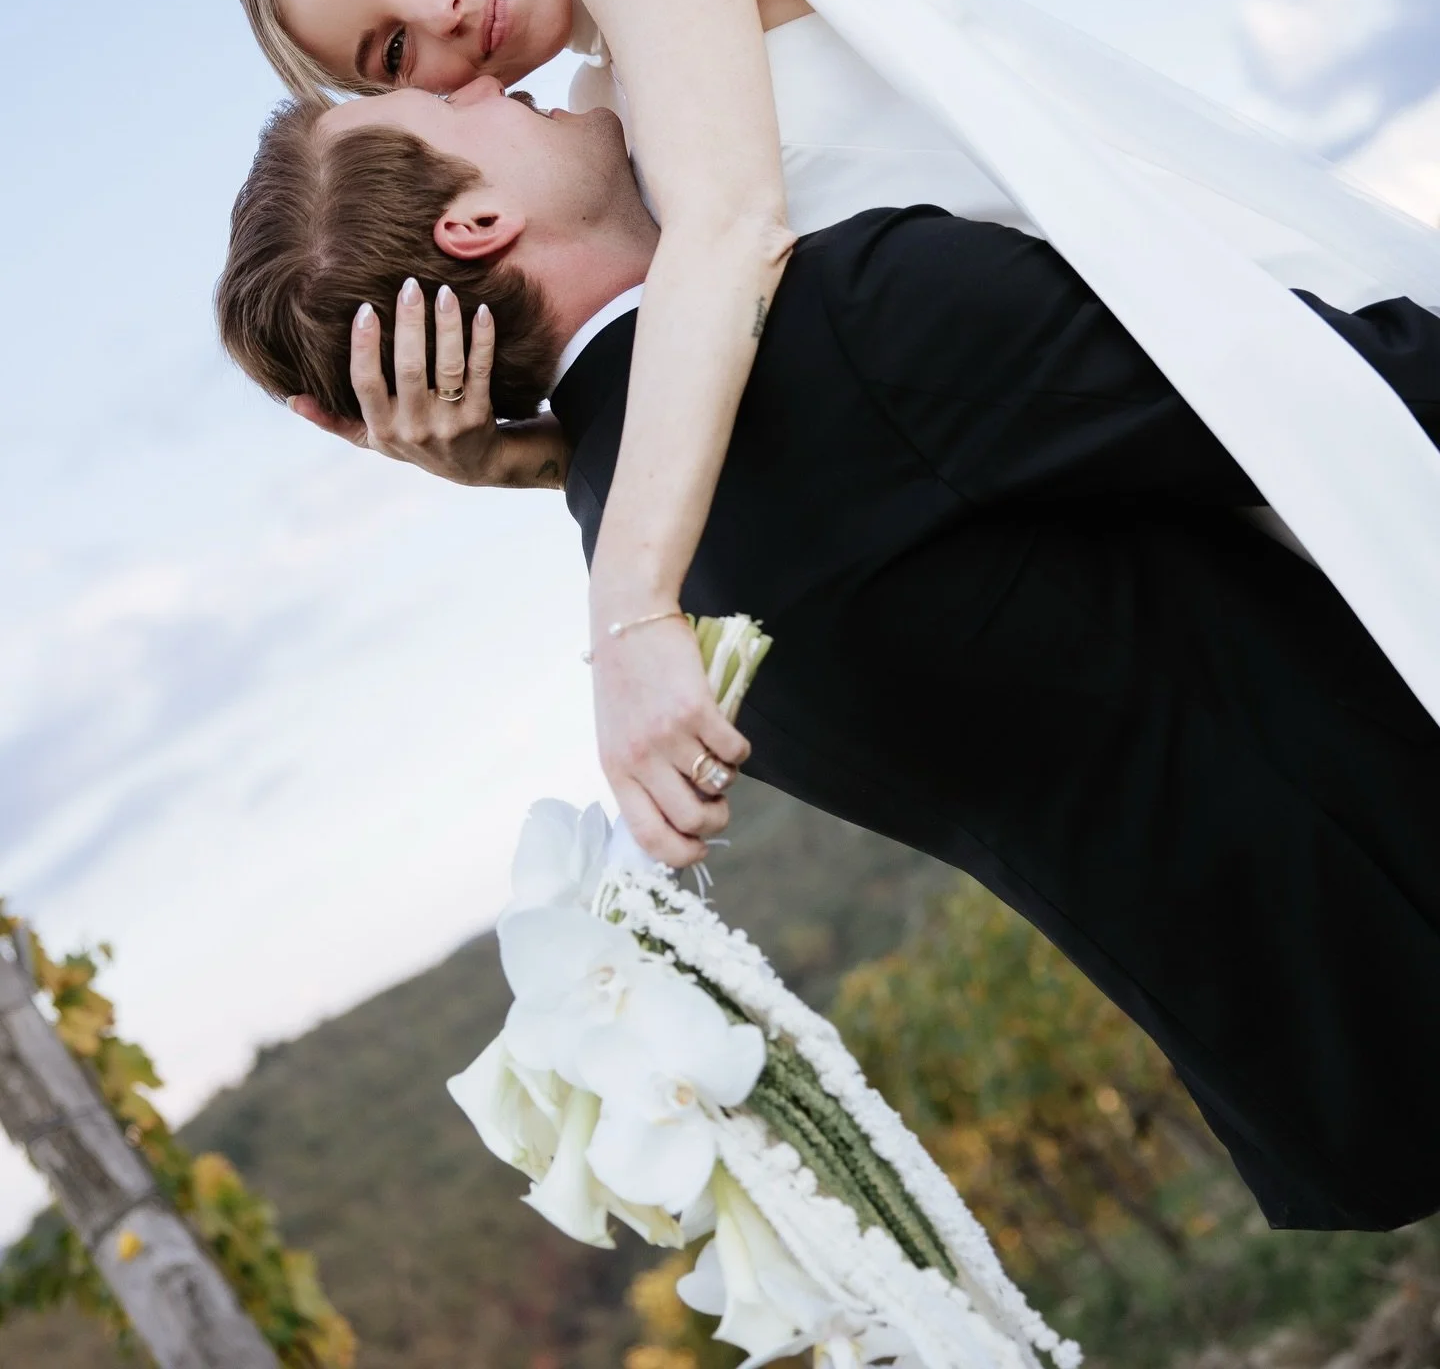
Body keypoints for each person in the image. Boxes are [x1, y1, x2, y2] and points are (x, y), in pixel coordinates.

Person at [215, 77, 1440, 1233]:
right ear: (479, 220)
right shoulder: (849, 326)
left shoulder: (638, 573)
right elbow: (1366, 399)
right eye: (442, 102)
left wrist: (535, 457)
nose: (488, 79)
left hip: (1346, 1049)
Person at [209, 0, 1440, 878]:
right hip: (1155, 423)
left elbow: (738, 235)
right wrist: (509, 461)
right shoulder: (618, 118)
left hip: (1245, 327)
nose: (439, 21)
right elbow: (772, 384)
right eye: (388, 56)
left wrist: (631, 613)